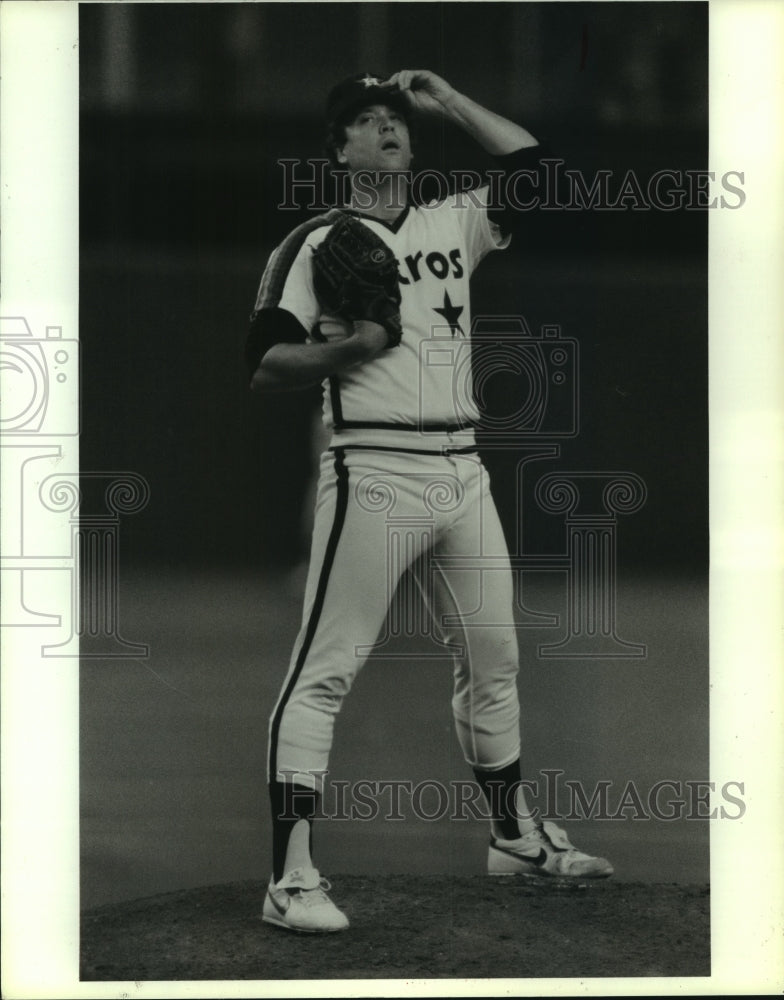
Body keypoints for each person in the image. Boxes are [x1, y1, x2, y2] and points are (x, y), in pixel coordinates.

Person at [246, 69, 612, 934]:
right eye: (365, 123)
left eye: (397, 120)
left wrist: (447, 99)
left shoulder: (457, 219)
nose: (386, 131)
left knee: (496, 657)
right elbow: (266, 365)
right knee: (324, 670)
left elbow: (543, 171)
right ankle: (290, 878)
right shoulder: (315, 242)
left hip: (463, 467)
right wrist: (360, 344)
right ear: (338, 150)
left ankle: (514, 834)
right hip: (373, 468)